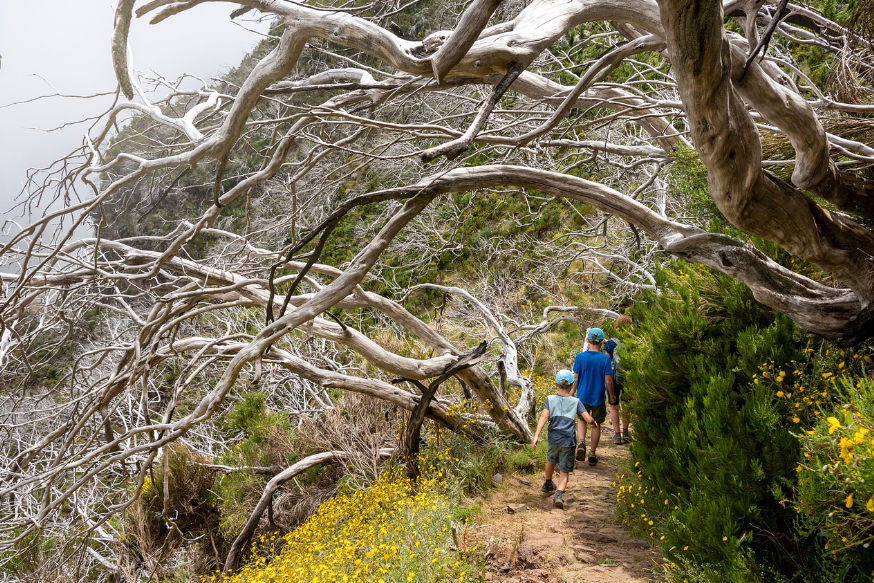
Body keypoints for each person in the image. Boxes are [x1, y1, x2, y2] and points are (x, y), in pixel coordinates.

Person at [530, 369, 597, 509]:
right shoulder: (576, 401)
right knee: (564, 470)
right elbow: (587, 418)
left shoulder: (550, 399)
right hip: (568, 440)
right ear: (572, 385)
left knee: (551, 460)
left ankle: (548, 482)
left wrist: (536, 435)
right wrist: (593, 423)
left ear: (556, 384)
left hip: (553, 438)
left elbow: (543, 417)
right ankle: (559, 495)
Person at [571, 327, 614, 466]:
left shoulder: (580, 357)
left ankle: (582, 442)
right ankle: (592, 453)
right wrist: (612, 395)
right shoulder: (605, 359)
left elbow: (575, 378)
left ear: (587, 340)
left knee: (582, 420)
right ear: (602, 342)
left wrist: (572, 393)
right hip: (598, 397)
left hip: (582, 396)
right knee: (596, 425)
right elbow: (608, 380)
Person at [604, 314, 634, 443]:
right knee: (626, 405)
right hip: (629, 377)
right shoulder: (633, 341)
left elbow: (606, 360)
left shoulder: (610, 343)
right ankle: (626, 432)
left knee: (613, 405)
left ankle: (617, 435)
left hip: (613, 378)